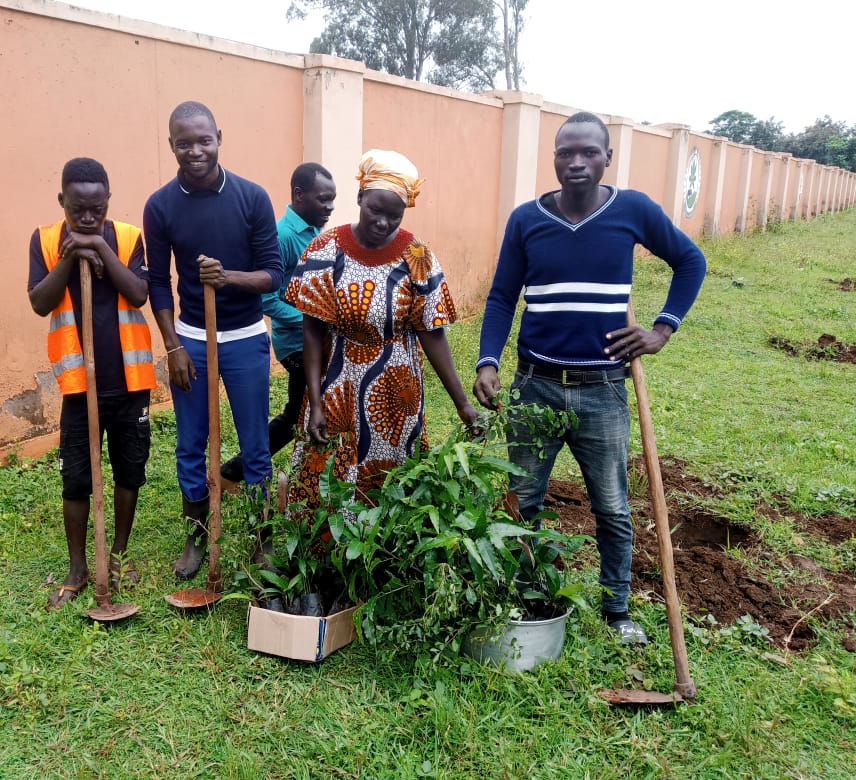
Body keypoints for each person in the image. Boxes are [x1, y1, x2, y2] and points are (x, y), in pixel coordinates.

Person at [473, 111, 707, 645]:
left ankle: (616, 609)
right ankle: (524, 595)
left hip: (603, 389)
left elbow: (690, 261)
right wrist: (488, 360)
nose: (575, 163)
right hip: (535, 383)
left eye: (587, 153)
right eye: (564, 153)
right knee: (521, 500)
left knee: (611, 505)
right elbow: (503, 296)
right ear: (553, 158)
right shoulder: (526, 219)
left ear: (607, 158)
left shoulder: (633, 210)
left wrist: (662, 329)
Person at [286, 149, 479, 510]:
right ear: (359, 198)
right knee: (329, 470)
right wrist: (313, 402)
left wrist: (463, 404)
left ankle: (385, 555)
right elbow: (311, 332)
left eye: (395, 215)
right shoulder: (325, 250)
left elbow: (431, 334)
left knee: (392, 480)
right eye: (375, 210)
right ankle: (324, 559)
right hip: (336, 385)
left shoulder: (418, 258)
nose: (383, 222)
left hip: (396, 393)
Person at [143, 100, 282, 579]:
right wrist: (173, 347)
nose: (195, 151)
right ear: (171, 146)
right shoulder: (160, 206)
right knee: (190, 443)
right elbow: (157, 283)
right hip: (192, 341)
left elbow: (272, 275)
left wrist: (228, 279)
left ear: (219, 137)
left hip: (244, 339)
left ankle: (262, 541)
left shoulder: (251, 197)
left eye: (204, 140)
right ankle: (196, 537)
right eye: (184, 143)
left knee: (256, 442)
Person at [28, 157, 157, 610]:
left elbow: (139, 293)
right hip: (79, 387)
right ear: (62, 200)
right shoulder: (45, 241)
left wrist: (100, 249)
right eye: (77, 209)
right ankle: (78, 567)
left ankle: (118, 556)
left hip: (128, 380)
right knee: (76, 478)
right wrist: (68, 258)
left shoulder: (125, 238)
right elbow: (40, 302)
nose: (87, 217)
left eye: (96, 209)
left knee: (129, 470)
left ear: (107, 201)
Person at [220, 162, 337, 484]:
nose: (330, 207)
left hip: (318, 341)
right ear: (299, 195)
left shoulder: (314, 232)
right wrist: (313, 322)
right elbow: (266, 299)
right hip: (297, 344)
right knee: (299, 414)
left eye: (332, 200)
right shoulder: (283, 235)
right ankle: (233, 472)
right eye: (323, 199)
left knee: (305, 411)